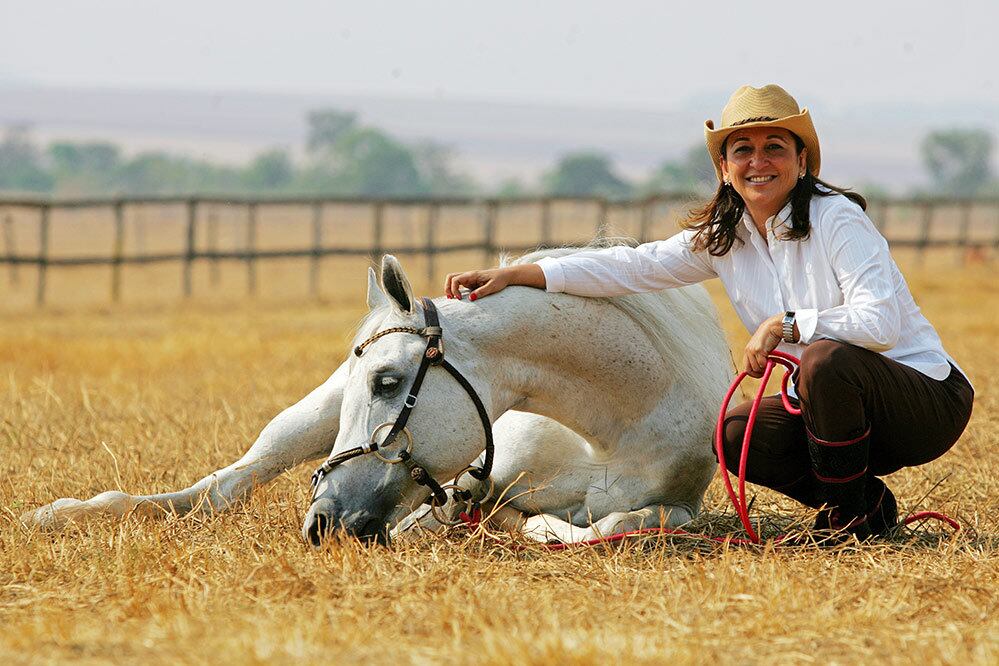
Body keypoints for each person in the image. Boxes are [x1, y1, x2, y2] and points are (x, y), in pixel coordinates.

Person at [443, 84, 974, 539]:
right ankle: (867, 508)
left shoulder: (838, 220)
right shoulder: (726, 238)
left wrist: (788, 325)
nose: (758, 162)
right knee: (731, 433)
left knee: (824, 361)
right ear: (724, 167)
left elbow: (879, 324)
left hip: (924, 401)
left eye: (775, 148)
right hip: (828, 409)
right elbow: (632, 267)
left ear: (802, 160)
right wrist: (518, 275)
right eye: (742, 149)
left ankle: (847, 521)